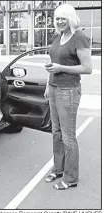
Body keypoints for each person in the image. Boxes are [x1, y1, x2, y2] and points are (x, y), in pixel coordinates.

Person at [44, 4, 92, 190]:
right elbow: (53, 63)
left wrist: (61, 68)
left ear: (70, 18)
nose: (59, 21)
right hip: (55, 89)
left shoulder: (79, 38)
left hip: (68, 92)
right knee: (56, 132)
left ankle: (71, 178)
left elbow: (87, 68)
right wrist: (49, 83)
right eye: (57, 18)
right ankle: (58, 169)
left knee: (68, 136)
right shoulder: (58, 36)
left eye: (63, 18)